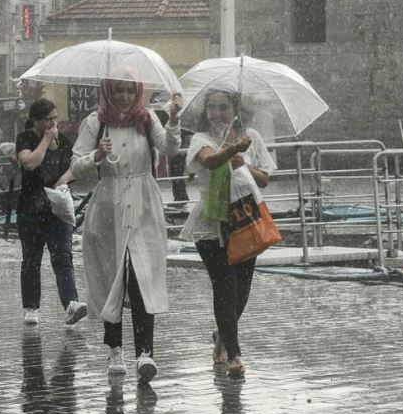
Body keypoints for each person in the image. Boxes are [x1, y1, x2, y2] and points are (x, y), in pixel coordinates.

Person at [70, 76, 182, 381]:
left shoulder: (147, 120)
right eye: (117, 89)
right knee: (111, 275)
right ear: (108, 91)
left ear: (137, 92)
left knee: (143, 275)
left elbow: (170, 147)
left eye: (129, 89)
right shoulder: (95, 122)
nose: (123, 95)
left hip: (144, 202)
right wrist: (97, 155)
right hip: (110, 205)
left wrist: (172, 119)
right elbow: (76, 164)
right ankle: (115, 348)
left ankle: (146, 351)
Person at [179, 89, 275, 378]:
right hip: (211, 223)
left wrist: (244, 161)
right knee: (224, 286)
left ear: (235, 108)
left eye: (223, 107)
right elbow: (208, 161)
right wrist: (232, 150)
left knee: (241, 290)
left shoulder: (252, 137)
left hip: (244, 219)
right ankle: (234, 354)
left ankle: (222, 334)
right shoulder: (201, 139)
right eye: (212, 108)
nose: (217, 113)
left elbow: (266, 178)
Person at [16, 99, 87, 327]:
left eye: (55, 118)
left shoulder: (64, 141)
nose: (53, 123)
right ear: (37, 120)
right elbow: (30, 163)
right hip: (31, 208)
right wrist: (45, 141)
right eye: (48, 119)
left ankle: (71, 304)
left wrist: (62, 181)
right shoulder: (26, 138)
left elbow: (73, 169)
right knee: (32, 259)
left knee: (63, 257)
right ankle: (31, 307)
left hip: (58, 209)